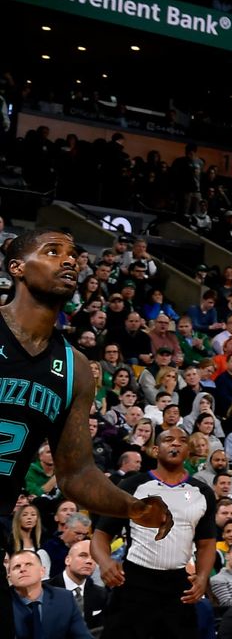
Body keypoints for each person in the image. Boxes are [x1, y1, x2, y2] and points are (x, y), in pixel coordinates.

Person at [0, 230, 173, 533]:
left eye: (73, 255)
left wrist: (133, 506)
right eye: (52, 252)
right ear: (17, 268)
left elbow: (76, 473)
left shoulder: (75, 368)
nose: (69, 261)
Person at [91, 420, 220, 636]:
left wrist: (203, 575)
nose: (176, 445)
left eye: (182, 441)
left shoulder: (203, 492)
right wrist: (104, 562)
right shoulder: (132, 485)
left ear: (189, 451)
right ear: (155, 449)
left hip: (179, 584)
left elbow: (207, 543)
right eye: (169, 440)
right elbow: (101, 534)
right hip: (134, 581)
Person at [10, 548, 92, 639]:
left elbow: (82, 635)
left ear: (42, 571)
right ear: (9, 577)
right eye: (17, 566)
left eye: (28, 564)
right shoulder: (3, 602)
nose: (22, 569)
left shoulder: (64, 598)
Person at [55, 539, 110, 633]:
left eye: (94, 558)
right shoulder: (45, 589)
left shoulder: (102, 594)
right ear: (68, 560)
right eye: (83, 556)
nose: (89, 561)